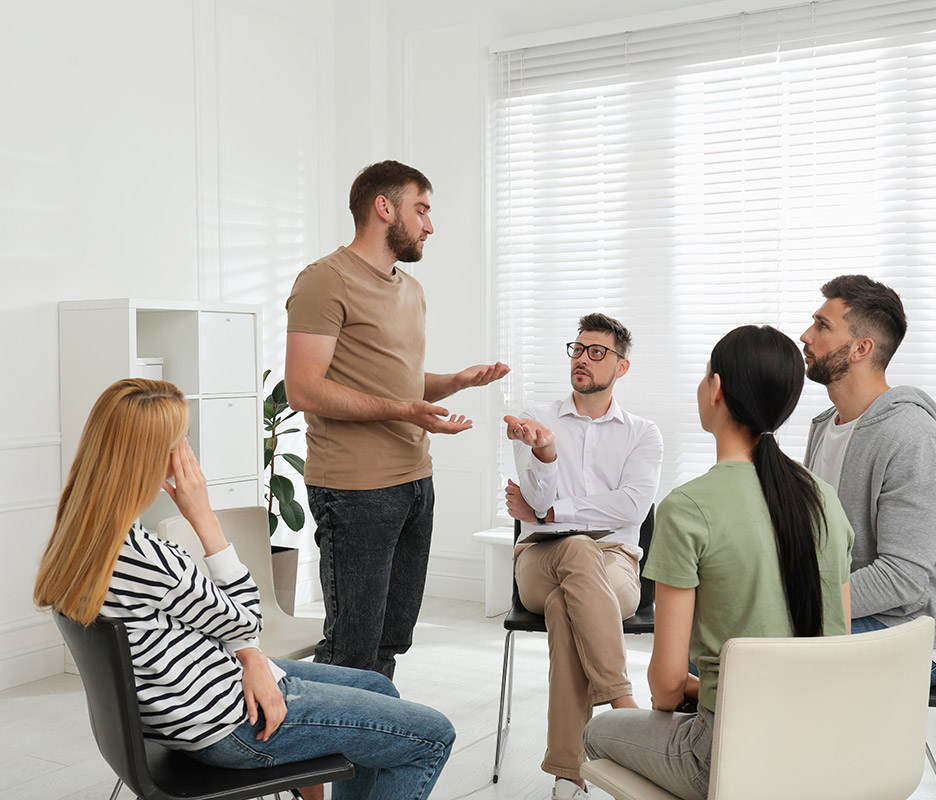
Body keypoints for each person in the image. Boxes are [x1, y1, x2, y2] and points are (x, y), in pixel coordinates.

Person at [34, 379, 455, 800]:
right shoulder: (147, 558)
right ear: (153, 458)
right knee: (433, 736)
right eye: (182, 441)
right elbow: (249, 618)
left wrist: (251, 656)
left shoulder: (80, 536)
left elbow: (225, 627)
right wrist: (204, 518)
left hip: (200, 701)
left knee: (375, 686)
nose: (189, 452)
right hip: (229, 725)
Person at [582, 325, 854, 800]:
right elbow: (840, 641)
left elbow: (666, 686)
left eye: (705, 374)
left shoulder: (688, 507)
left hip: (725, 753)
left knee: (598, 733)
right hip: (819, 746)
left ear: (717, 390)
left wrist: (696, 689)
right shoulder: (823, 498)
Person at [284, 160, 509, 677]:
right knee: (352, 649)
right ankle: (332, 754)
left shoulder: (411, 290)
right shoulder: (324, 281)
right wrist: (405, 410)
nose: (430, 225)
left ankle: (374, 748)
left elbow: (392, 380)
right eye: (422, 209)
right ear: (384, 208)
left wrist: (454, 382)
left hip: (414, 483)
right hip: (354, 491)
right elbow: (304, 389)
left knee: (390, 641)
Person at [504, 313, 663, 800]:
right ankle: (624, 705)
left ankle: (567, 772)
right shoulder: (538, 420)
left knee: (564, 607)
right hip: (539, 558)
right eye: (578, 349)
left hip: (614, 561)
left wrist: (553, 509)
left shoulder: (643, 432)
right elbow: (535, 500)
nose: (583, 359)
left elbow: (633, 506)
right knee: (573, 546)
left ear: (622, 366)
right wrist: (547, 455)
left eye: (597, 352)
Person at [801, 274, 936, 684]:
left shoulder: (914, 439)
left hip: (915, 635)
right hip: (857, 614)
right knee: (716, 645)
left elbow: (901, 579)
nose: (805, 335)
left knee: (744, 658)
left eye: (822, 325)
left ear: (861, 348)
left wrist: (795, 603)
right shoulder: (825, 425)